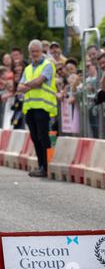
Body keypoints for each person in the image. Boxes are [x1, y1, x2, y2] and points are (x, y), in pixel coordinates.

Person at [17, 40, 57, 177]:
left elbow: (40, 82)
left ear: (41, 52)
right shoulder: (28, 68)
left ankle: (46, 166)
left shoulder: (48, 65)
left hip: (43, 107)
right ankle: (41, 166)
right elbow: (19, 87)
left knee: (43, 136)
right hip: (30, 107)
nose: (34, 54)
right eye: (32, 51)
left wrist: (27, 85)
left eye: (37, 51)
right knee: (35, 137)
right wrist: (31, 84)